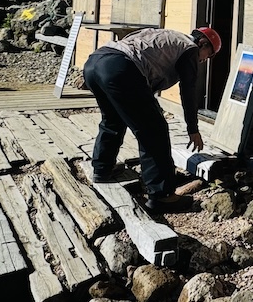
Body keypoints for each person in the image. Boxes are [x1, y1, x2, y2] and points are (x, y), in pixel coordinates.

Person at [83, 26, 222, 212]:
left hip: (95, 62)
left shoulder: (171, 36)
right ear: (202, 43)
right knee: (154, 131)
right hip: (120, 67)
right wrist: (192, 128)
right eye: (209, 54)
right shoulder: (190, 48)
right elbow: (189, 91)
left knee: (112, 119)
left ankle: (102, 169)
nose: (205, 60)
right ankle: (162, 196)